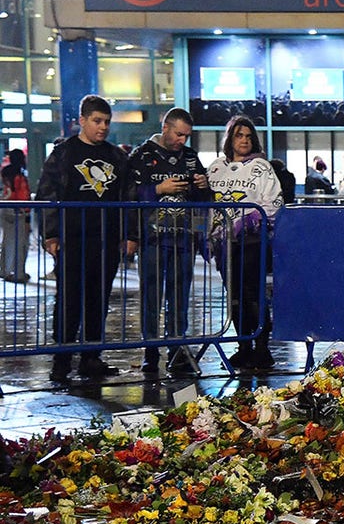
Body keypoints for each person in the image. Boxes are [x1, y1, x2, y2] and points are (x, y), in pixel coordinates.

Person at [36, 95, 137, 382]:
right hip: (72, 239)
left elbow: (128, 197)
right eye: (97, 121)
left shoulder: (117, 157)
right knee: (68, 300)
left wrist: (129, 234)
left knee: (98, 300)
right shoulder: (63, 153)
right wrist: (52, 233)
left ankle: (92, 356)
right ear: (82, 121)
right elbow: (48, 193)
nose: (103, 127)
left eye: (106, 121)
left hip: (105, 239)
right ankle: (62, 359)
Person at [129, 107, 209, 375]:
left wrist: (201, 185)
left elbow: (203, 201)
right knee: (151, 295)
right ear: (165, 128)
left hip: (183, 238)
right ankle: (151, 352)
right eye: (178, 134)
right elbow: (127, 193)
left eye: (187, 136)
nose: (182, 141)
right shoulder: (141, 155)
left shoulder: (190, 157)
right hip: (152, 238)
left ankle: (177, 349)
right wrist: (157, 190)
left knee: (179, 298)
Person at [207, 116, 283, 371]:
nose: (244, 141)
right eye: (239, 135)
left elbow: (274, 204)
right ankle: (244, 347)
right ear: (230, 137)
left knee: (252, 294)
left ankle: (262, 347)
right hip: (224, 244)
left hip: (252, 242)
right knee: (235, 297)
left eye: (249, 136)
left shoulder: (262, 167)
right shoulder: (216, 167)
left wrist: (250, 219)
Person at [1, 149, 32, 283]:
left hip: (5, 209)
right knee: (20, 244)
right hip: (19, 212)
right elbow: (24, 197)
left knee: (7, 241)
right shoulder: (20, 176)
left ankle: (5, 270)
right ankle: (18, 273)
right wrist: (27, 217)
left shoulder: (5, 173)